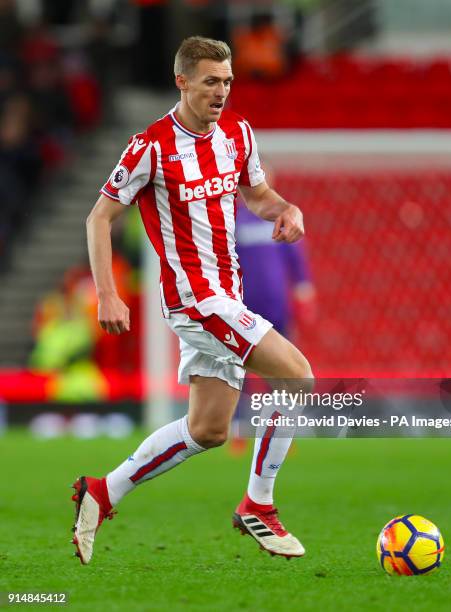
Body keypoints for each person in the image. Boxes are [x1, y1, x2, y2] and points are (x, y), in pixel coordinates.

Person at [71, 36, 314, 565]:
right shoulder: (150, 146)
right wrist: (107, 293)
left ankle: (101, 492)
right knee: (297, 375)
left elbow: (258, 196)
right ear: (182, 81)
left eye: (227, 81)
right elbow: (99, 217)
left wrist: (286, 210)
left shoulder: (238, 136)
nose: (221, 91)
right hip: (196, 300)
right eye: (210, 81)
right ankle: (260, 505)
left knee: (207, 429)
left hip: (228, 294)